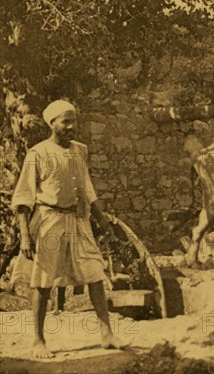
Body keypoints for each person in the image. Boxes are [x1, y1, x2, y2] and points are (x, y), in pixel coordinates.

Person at [10, 99, 127, 358]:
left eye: (74, 121)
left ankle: (106, 333)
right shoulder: (37, 154)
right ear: (52, 124)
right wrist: (25, 237)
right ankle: (38, 340)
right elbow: (23, 198)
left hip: (78, 220)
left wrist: (104, 222)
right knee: (42, 281)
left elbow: (88, 189)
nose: (71, 126)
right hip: (49, 220)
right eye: (66, 121)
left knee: (95, 272)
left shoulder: (79, 151)